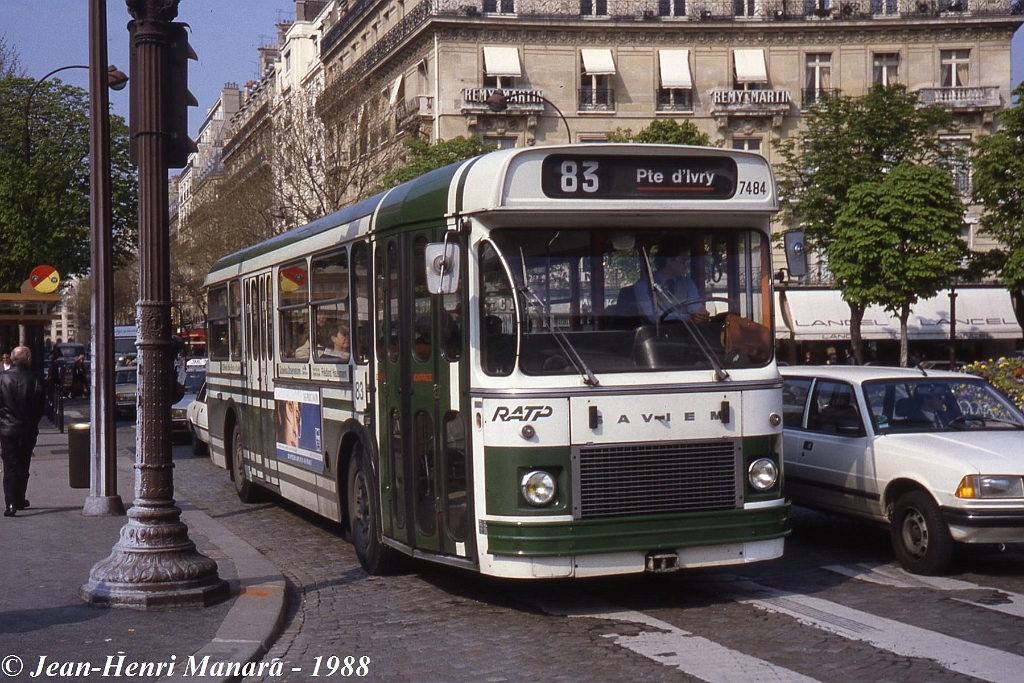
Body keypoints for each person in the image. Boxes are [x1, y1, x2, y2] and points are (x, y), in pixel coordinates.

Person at [0, 346, 46, 517]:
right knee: (24, 463)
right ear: (28, 359)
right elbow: (40, 405)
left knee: (10, 465)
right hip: (27, 427)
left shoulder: (2, 378)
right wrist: (32, 420)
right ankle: (19, 498)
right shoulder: (35, 378)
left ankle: (11, 503)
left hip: (7, 428)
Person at [633, 242, 710, 324]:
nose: (686, 266)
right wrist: (688, 318)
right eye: (683, 261)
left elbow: (695, 306)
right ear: (669, 260)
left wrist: (701, 314)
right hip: (656, 334)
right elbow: (654, 317)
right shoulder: (643, 285)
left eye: (687, 262)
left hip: (690, 335)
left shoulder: (688, 283)